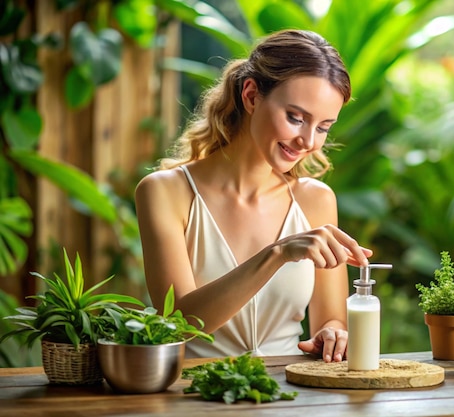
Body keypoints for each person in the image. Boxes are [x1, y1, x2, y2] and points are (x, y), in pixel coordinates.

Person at [134, 29, 372, 363]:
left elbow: (330, 320)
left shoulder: (316, 200)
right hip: (196, 395)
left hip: (292, 396)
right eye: (295, 117)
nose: (307, 141)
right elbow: (180, 325)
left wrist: (333, 333)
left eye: (322, 127)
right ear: (251, 96)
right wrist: (276, 254)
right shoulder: (166, 192)